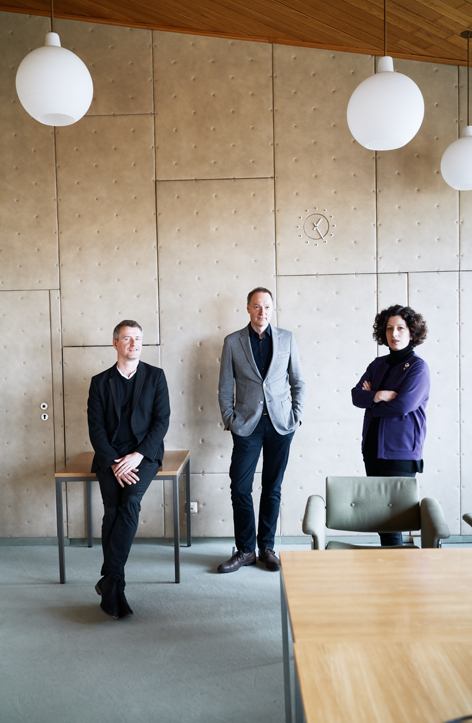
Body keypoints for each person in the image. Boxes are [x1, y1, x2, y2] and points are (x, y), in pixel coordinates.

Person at [217, 287, 305, 573]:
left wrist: (296, 417)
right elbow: (225, 386)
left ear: (272, 308)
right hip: (246, 425)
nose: (262, 312)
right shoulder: (232, 342)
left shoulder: (287, 339)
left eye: (267, 306)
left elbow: (298, 382)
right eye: (256, 306)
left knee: (272, 488)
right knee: (240, 487)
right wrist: (230, 419)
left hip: (281, 425)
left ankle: (266, 547)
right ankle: (245, 550)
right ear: (247, 308)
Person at [87, 320, 170, 618]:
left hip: (143, 458)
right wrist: (113, 462)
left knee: (130, 502)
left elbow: (162, 422)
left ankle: (110, 578)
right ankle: (115, 585)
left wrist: (136, 456)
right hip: (110, 459)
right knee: (112, 508)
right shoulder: (99, 382)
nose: (134, 344)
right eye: (127, 339)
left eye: (138, 339)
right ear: (115, 344)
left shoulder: (156, 377)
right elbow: (95, 428)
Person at [351, 304, 430, 546]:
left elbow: (403, 405)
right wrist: (380, 395)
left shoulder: (418, 367)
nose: (394, 334)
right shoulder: (378, 364)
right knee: (381, 519)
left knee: (395, 520)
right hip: (373, 449)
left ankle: (399, 576)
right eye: (389, 329)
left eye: (400, 328)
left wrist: (372, 398)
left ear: (411, 332)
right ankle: (390, 571)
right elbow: (356, 396)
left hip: (401, 452)